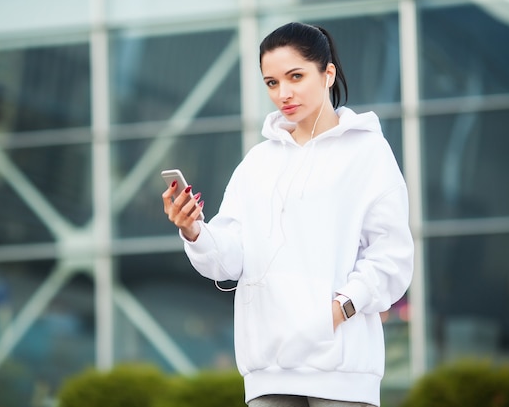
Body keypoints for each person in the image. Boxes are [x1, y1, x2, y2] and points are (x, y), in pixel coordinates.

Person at [162, 22, 414, 407]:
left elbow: (391, 257)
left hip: (342, 367)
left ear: (327, 73)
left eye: (295, 76)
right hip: (268, 367)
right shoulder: (258, 162)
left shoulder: (369, 153)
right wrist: (194, 229)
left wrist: (337, 310)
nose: (284, 93)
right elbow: (229, 259)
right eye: (272, 82)